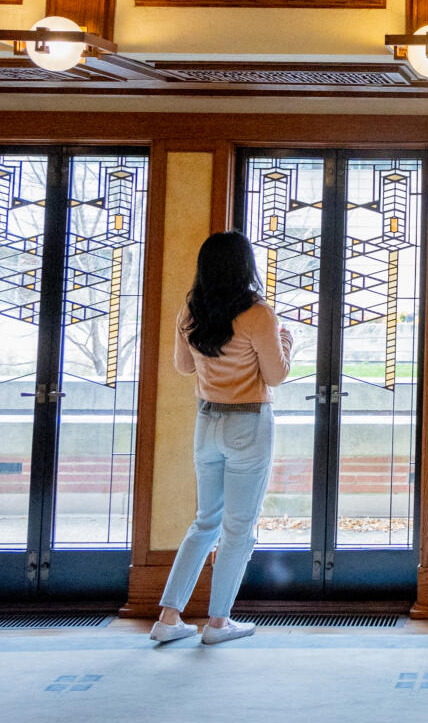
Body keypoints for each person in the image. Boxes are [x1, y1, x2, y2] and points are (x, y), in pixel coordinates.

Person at [149, 230, 292, 647]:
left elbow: (183, 367)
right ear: (245, 266)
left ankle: (169, 616)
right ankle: (218, 622)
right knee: (239, 529)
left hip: (206, 422)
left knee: (205, 522)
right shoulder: (258, 314)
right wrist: (286, 341)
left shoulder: (191, 312)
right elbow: (276, 375)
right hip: (248, 422)